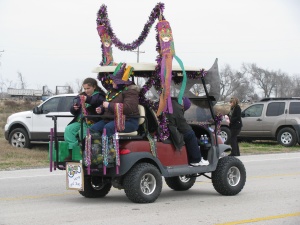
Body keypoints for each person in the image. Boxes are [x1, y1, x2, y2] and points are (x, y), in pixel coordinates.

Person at [90, 69, 140, 137]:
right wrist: (101, 108)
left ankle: (109, 147)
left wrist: (109, 105)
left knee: (108, 128)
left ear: (120, 83)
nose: (112, 82)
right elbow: (107, 102)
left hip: (128, 120)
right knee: (93, 129)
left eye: (114, 81)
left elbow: (129, 107)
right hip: (111, 119)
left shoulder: (131, 92)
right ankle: (96, 147)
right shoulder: (113, 92)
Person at [64, 78, 106, 151]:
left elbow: (96, 101)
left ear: (94, 87)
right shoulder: (81, 95)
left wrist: (87, 99)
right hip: (80, 120)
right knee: (69, 129)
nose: (86, 91)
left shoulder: (100, 96)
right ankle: (73, 150)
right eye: (85, 88)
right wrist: (74, 108)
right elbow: (73, 111)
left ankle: (86, 152)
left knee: (83, 132)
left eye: (88, 88)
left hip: (92, 122)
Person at [166, 97, 209, 167]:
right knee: (190, 134)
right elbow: (184, 126)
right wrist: (190, 129)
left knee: (192, 136)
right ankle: (196, 160)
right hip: (172, 132)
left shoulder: (171, 103)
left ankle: (190, 156)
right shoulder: (177, 108)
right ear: (183, 106)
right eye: (184, 109)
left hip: (168, 129)